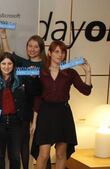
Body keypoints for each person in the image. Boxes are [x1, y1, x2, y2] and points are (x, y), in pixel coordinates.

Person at [32, 40, 92, 169]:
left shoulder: (70, 73)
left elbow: (86, 91)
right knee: (44, 154)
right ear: (50, 53)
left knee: (60, 153)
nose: (60, 55)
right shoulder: (41, 72)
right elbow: (37, 97)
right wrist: (35, 121)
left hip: (63, 114)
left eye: (63, 52)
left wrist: (88, 72)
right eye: (57, 51)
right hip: (45, 113)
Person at [0, 28, 49, 169]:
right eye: (30, 46)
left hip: (42, 110)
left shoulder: (46, 66)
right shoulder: (22, 63)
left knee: (43, 149)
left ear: (41, 49)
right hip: (25, 111)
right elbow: (8, 53)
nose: (32, 49)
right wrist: (3, 36)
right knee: (24, 145)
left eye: (36, 46)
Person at [0, 53, 41, 169]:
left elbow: (35, 92)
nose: (6, 66)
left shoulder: (21, 79)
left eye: (9, 63)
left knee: (15, 156)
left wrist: (34, 79)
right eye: (3, 63)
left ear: (13, 65)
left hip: (17, 123)